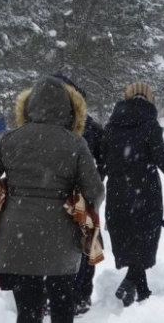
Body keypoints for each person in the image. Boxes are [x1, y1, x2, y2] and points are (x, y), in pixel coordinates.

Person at [0, 76, 105, 323]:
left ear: (27, 107)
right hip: (62, 234)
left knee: (28, 310)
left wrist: (6, 202)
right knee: (62, 304)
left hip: (17, 234)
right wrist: (81, 207)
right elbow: (95, 192)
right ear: (70, 109)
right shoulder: (76, 143)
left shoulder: (9, 139)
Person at [100, 82, 164, 307]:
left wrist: (96, 185)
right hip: (145, 188)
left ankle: (143, 289)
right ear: (149, 98)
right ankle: (130, 281)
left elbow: (103, 161)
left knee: (127, 235)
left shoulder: (111, 126)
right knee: (145, 236)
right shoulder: (150, 124)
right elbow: (160, 156)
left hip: (118, 190)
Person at [50, 73, 104, 315]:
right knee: (83, 246)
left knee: (59, 247)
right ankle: (79, 294)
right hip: (83, 197)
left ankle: (62, 295)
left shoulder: (47, 127)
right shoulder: (91, 127)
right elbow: (104, 161)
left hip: (57, 197)